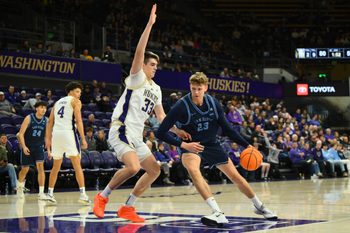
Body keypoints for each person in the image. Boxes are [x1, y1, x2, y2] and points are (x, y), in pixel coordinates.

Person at [93, 4, 189, 222]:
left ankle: (128, 207)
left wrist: (177, 131)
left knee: (154, 170)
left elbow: (162, 117)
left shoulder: (156, 89)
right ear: (144, 65)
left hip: (136, 136)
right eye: (152, 64)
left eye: (157, 65)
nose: (155, 67)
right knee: (134, 166)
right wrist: (149, 24)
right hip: (121, 130)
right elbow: (138, 51)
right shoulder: (137, 78)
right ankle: (102, 196)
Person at [156, 72, 277, 227]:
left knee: (236, 176)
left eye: (199, 89)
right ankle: (217, 212)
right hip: (192, 145)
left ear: (206, 88)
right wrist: (183, 145)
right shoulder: (181, 105)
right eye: (193, 89)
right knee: (193, 170)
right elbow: (161, 132)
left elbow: (227, 129)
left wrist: (247, 145)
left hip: (212, 144)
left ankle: (259, 206)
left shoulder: (213, 103)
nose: (196, 92)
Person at [44, 81, 90, 204]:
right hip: (68, 133)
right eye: (77, 91)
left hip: (56, 135)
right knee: (77, 165)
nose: (79, 94)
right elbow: (79, 121)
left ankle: (49, 193)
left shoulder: (57, 103)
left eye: (80, 92)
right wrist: (83, 138)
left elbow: (49, 123)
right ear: (70, 91)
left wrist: (48, 139)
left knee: (56, 166)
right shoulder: (75, 101)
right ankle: (83, 195)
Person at [16, 101, 48, 199]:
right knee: (25, 169)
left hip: (39, 147)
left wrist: (49, 149)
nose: (44, 110)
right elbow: (20, 134)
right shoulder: (29, 118)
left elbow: (47, 137)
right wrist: (24, 146)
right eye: (42, 107)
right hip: (28, 147)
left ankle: (41, 192)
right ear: (36, 108)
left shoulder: (46, 120)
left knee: (40, 167)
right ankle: (20, 187)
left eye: (45, 108)